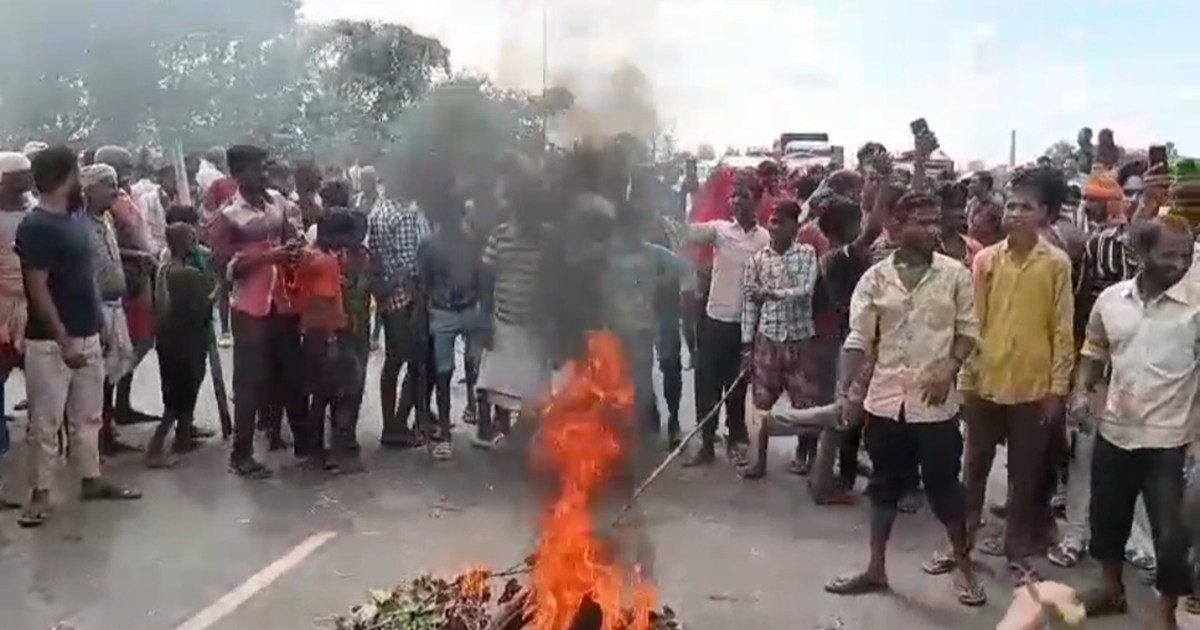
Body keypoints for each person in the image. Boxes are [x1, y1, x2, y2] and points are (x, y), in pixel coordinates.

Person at [824, 191, 985, 606]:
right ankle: (875, 569)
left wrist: (949, 369)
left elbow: (968, 331)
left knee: (944, 489)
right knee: (883, 486)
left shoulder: (955, 275)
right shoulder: (875, 279)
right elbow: (859, 339)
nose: (934, 229)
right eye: (923, 222)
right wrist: (847, 391)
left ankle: (963, 566)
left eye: (935, 221)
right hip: (886, 402)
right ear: (897, 226)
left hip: (935, 406)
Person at [1069, 216, 1197, 629]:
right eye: (1169, 255)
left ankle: (1165, 614)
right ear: (1141, 253)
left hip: (1171, 441)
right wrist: (1082, 390)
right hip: (1115, 432)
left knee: (1172, 535)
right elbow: (1094, 350)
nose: (1180, 264)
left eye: (1187, 254)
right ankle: (1112, 590)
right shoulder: (1111, 301)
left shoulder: (1196, 306)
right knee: (1107, 519)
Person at [959, 165, 1074, 578]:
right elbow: (973, 322)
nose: (1015, 213)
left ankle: (1016, 550)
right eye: (1010, 206)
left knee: (1024, 477)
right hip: (985, 381)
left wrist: (1057, 389)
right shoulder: (986, 260)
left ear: (1043, 214)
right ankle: (962, 545)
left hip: (1033, 387)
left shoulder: (1056, 264)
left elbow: (1062, 329)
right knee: (974, 468)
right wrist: (965, 379)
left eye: (1025, 207)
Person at [16, 146, 141, 528]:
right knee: (47, 422)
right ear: (66, 177)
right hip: (51, 341)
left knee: (88, 416)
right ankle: (41, 492)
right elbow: (37, 288)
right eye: (76, 174)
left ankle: (91, 477)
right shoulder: (36, 226)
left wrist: (97, 324)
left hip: (85, 331)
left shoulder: (73, 219)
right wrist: (63, 337)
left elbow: (84, 277)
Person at [207, 144, 305, 479]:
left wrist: (293, 247)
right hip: (249, 306)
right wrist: (268, 257)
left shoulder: (277, 202)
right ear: (237, 174)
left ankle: (300, 442)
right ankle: (241, 455)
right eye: (256, 169)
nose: (264, 174)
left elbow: (293, 237)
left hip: (283, 300)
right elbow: (224, 269)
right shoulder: (227, 215)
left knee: (290, 372)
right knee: (249, 382)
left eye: (265, 168)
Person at [684, 178, 770, 468]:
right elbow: (687, 233)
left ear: (756, 200)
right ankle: (706, 442)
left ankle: (737, 440)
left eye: (742, 196)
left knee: (737, 388)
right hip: (714, 322)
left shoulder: (765, 240)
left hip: (745, 327)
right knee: (706, 386)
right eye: (733, 196)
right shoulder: (719, 230)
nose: (735, 201)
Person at [736, 200, 821, 479]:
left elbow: (805, 291)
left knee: (806, 405)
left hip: (800, 340)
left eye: (780, 222)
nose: (773, 228)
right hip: (768, 340)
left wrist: (771, 293)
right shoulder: (757, 260)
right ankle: (759, 461)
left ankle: (805, 456)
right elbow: (749, 308)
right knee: (762, 404)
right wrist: (747, 346)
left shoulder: (807, 254)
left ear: (794, 227)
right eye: (771, 221)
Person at [94, 146, 161, 439]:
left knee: (140, 342)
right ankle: (106, 418)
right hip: (125, 280)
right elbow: (105, 247)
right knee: (120, 348)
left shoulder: (125, 196)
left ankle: (122, 404)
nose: (129, 172)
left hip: (138, 277)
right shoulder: (102, 206)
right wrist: (138, 255)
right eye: (125, 166)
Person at [294, 210, 366, 473]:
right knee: (343, 392)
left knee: (320, 394)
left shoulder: (309, 255)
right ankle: (335, 453)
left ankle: (316, 449)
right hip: (329, 333)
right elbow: (322, 301)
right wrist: (333, 336)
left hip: (312, 333)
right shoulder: (326, 263)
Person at [417, 191, 487, 458]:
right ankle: (471, 422)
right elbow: (424, 283)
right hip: (457, 311)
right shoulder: (464, 242)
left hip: (449, 312)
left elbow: (423, 284)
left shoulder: (434, 243)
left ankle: (449, 432)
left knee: (448, 373)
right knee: (463, 370)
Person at [368, 173, 431, 449]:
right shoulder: (403, 215)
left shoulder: (379, 209)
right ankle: (397, 425)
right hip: (405, 299)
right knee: (415, 363)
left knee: (394, 362)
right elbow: (410, 265)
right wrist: (418, 302)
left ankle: (392, 424)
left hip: (388, 297)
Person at [80, 164, 139, 455]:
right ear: (89, 190)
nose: (115, 191)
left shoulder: (105, 219)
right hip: (96, 307)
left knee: (111, 374)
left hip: (114, 305)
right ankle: (96, 441)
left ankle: (107, 432)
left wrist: (138, 255)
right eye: (108, 185)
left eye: (115, 183)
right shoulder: (79, 224)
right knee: (95, 378)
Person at [146, 222, 215, 468]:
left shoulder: (164, 269)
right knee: (181, 396)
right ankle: (154, 450)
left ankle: (183, 437)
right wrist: (224, 284)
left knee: (176, 393)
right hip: (186, 341)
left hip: (168, 340)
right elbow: (205, 304)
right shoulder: (187, 274)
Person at [0, 153, 33, 432]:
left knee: (35, 366)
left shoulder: (34, 208)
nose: (27, 180)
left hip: (34, 298)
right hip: (3, 304)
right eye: (20, 176)